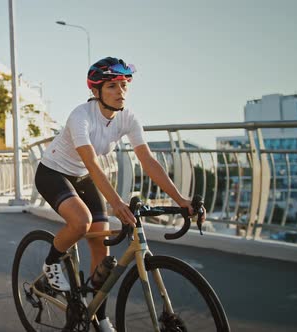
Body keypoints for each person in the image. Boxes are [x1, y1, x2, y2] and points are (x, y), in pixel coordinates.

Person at [34, 57, 205, 331]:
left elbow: (148, 160)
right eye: (112, 86)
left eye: (124, 85)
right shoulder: (80, 116)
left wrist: (181, 200)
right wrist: (117, 203)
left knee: (101, 246)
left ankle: (99, 317)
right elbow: (92, 162)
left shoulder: (128, 117)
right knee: (81, 222)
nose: (120, 91)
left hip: (83, 176)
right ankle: (51, 262)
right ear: (96, 91)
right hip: (53, 172)